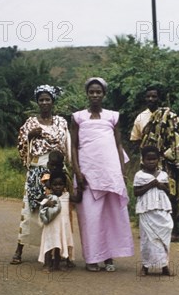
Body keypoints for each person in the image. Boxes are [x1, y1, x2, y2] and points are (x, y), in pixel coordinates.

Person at [71, 77, 135, 272]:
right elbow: (73, 146)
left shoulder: (112, 117)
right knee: (90, 217)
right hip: (87, 175)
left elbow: (118, 144)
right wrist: (77, 172)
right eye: (92, 92)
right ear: (87, 94)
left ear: (104, 94)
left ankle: (108, 257)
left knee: (111, 216)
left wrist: (122, 174)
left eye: (98, 92)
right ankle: (91, 258)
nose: (95, 95)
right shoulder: (78, 117)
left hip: (110, 174)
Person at [10, 84, 70, 265]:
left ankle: (61, 253)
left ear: (53, 102)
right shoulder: (30, 123)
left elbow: (66, 146)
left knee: (59, 212)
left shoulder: (61, 122)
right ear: (37, 102)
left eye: (48, 99)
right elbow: (21, 147)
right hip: (37, 170)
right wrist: (30, 137)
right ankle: (19, 249)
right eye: (41, 99)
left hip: (58, 172)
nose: (45, 102)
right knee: (31, 210)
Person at [135, 86, 179, 239]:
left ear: (159, 98)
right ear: (145, 98)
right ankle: (150, 227)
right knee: (148, 194)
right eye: (148, 96)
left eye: (154, 96)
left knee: (169, 195)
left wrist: (173, 153)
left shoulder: (170, 116)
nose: (151, 99)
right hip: (148, 163)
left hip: (167, 164)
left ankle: (173, 230)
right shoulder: (140, 118)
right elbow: (138, 141)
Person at [134, 145, 173, 276]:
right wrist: (150, 185)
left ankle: (164, 266)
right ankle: (145, 266)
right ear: (143, 160)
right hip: (147, 211)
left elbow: (168, 191)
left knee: (164, 236)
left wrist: (160, 185)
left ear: (158, 159)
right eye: (148, 159)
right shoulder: (139, 175)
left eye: (154, 159)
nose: (151, 162)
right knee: (147, 239)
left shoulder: (163, 175)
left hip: (162, 209)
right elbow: (136, 192)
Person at [38, 171, 81, 272]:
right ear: (51, 185)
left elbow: (78, 199)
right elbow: (40, 202)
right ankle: (47, 264)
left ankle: (57, 264)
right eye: (55, 185)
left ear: (65, 185)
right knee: (49, 244)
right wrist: (47, 202)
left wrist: (80, 188)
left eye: (60, 184)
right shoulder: (49, 197)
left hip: (63, 227)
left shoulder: (67, 196)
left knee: (60, 245)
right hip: (51, 226)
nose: (58, 187)